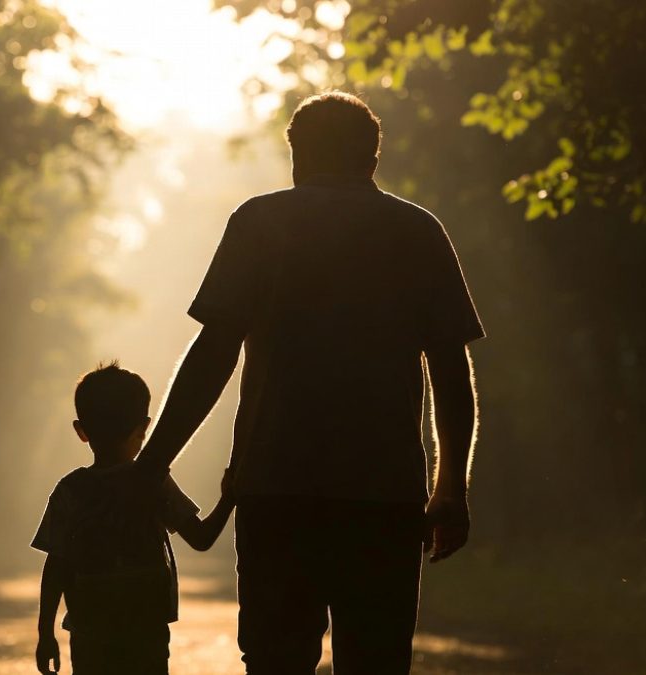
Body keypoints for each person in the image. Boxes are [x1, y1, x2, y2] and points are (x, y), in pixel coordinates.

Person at [135, 92, 485, 674]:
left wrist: (154, 462)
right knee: (376, 660)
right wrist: (451, 487)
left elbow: (213, 353)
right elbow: (450, 370)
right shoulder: (417, 230)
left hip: (275, 487)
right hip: (384, 494)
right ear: (372, 158)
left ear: (295, 153)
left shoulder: (261, 222)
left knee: (275, 659)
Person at [32, 362, 235, 675]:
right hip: (146, 626)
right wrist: (230, 497)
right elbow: (202, 538)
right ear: (145, 428)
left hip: (90, 629)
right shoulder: (152, 483)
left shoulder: (71, 491)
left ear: (80, 430)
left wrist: (45, 634)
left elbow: (56, 565)